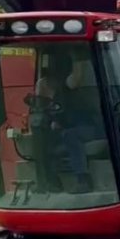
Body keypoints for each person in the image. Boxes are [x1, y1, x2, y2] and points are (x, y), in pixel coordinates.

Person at [34, 51, 104, 193]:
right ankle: (50, 181)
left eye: (42, 88)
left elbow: (77, 76)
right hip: (68, 130)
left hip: (90, 128)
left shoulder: (69, 89)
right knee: (43, 139)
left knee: (69, 135)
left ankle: (83, 180)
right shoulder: (48, 103)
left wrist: (76, 53)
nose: (40, 92)